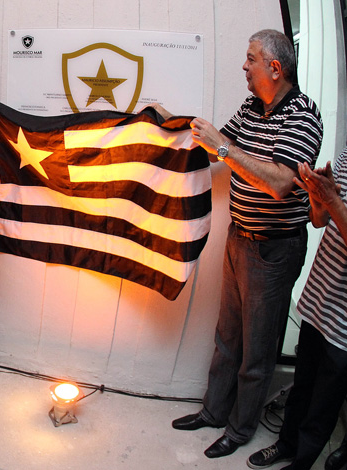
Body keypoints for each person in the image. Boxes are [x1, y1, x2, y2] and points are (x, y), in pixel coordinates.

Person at [170, 29, 323, 459]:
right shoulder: (253, 105)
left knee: (256, 350)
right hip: (239, 239)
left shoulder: (303, 116)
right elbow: (217, 142)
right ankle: (214, 412)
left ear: (275, 68)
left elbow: (279, 182)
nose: (244, 66)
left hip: (274, 250)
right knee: (226, 336)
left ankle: (239, 429)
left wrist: (225, 149)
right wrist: (167, 126)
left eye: (251, 59)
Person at [246, 153, 347, 469]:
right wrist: (320, 198)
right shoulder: (345, 159)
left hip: (344, 316)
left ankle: (302, 462)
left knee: (325, 400)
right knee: (303, 384)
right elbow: (320, 221)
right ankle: (286, 444)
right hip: (321, 294)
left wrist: (332, 200)